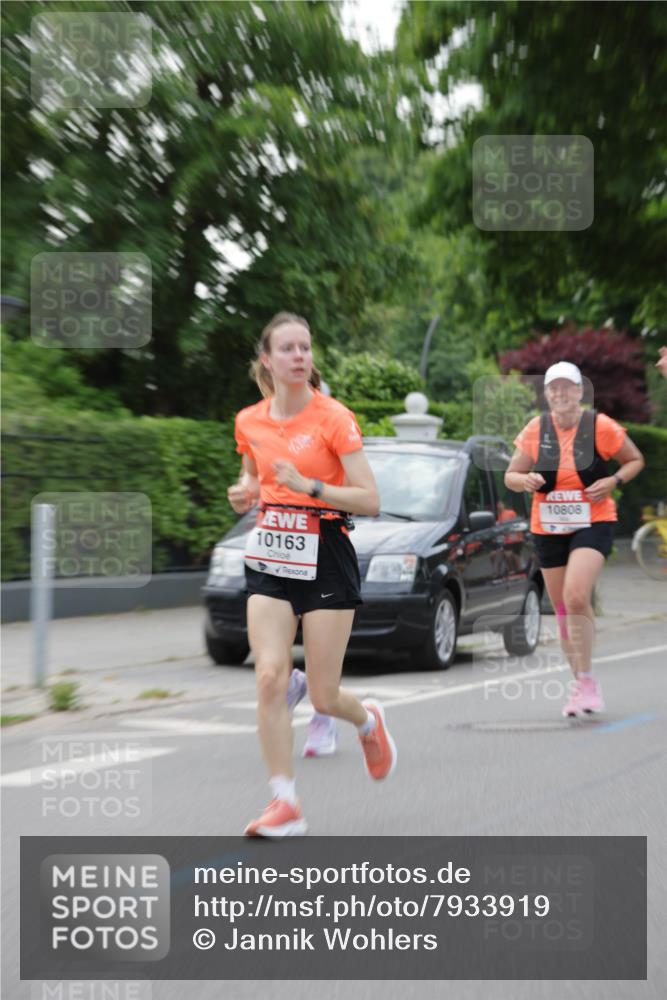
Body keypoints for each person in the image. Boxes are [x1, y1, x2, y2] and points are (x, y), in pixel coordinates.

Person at [227, 311, 397, 837]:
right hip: (272, 550)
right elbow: (251, 475)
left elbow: (370, 499)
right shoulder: (249, 420)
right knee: (270, 677)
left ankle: (367, 721)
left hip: (326, 548)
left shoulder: (333, 418)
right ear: (267, 360)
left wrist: (311, 485)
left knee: (324, 695)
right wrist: (244, 493)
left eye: (305, 348)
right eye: (288, 348)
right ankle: (285, 803)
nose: (300, 356)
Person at [505, 361, 644, 717]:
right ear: (547, 394)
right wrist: (527, 480)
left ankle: (586, 680)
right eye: (554, 388)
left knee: (576, 593)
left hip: (592, 520)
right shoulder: (537, 429)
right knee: (564, 610)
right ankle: (582, 682)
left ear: (580, 392)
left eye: (568, 387)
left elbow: (634, 460)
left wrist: (614, 482)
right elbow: (511, 475)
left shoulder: (599, 426)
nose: (561, 393)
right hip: (548, 525)